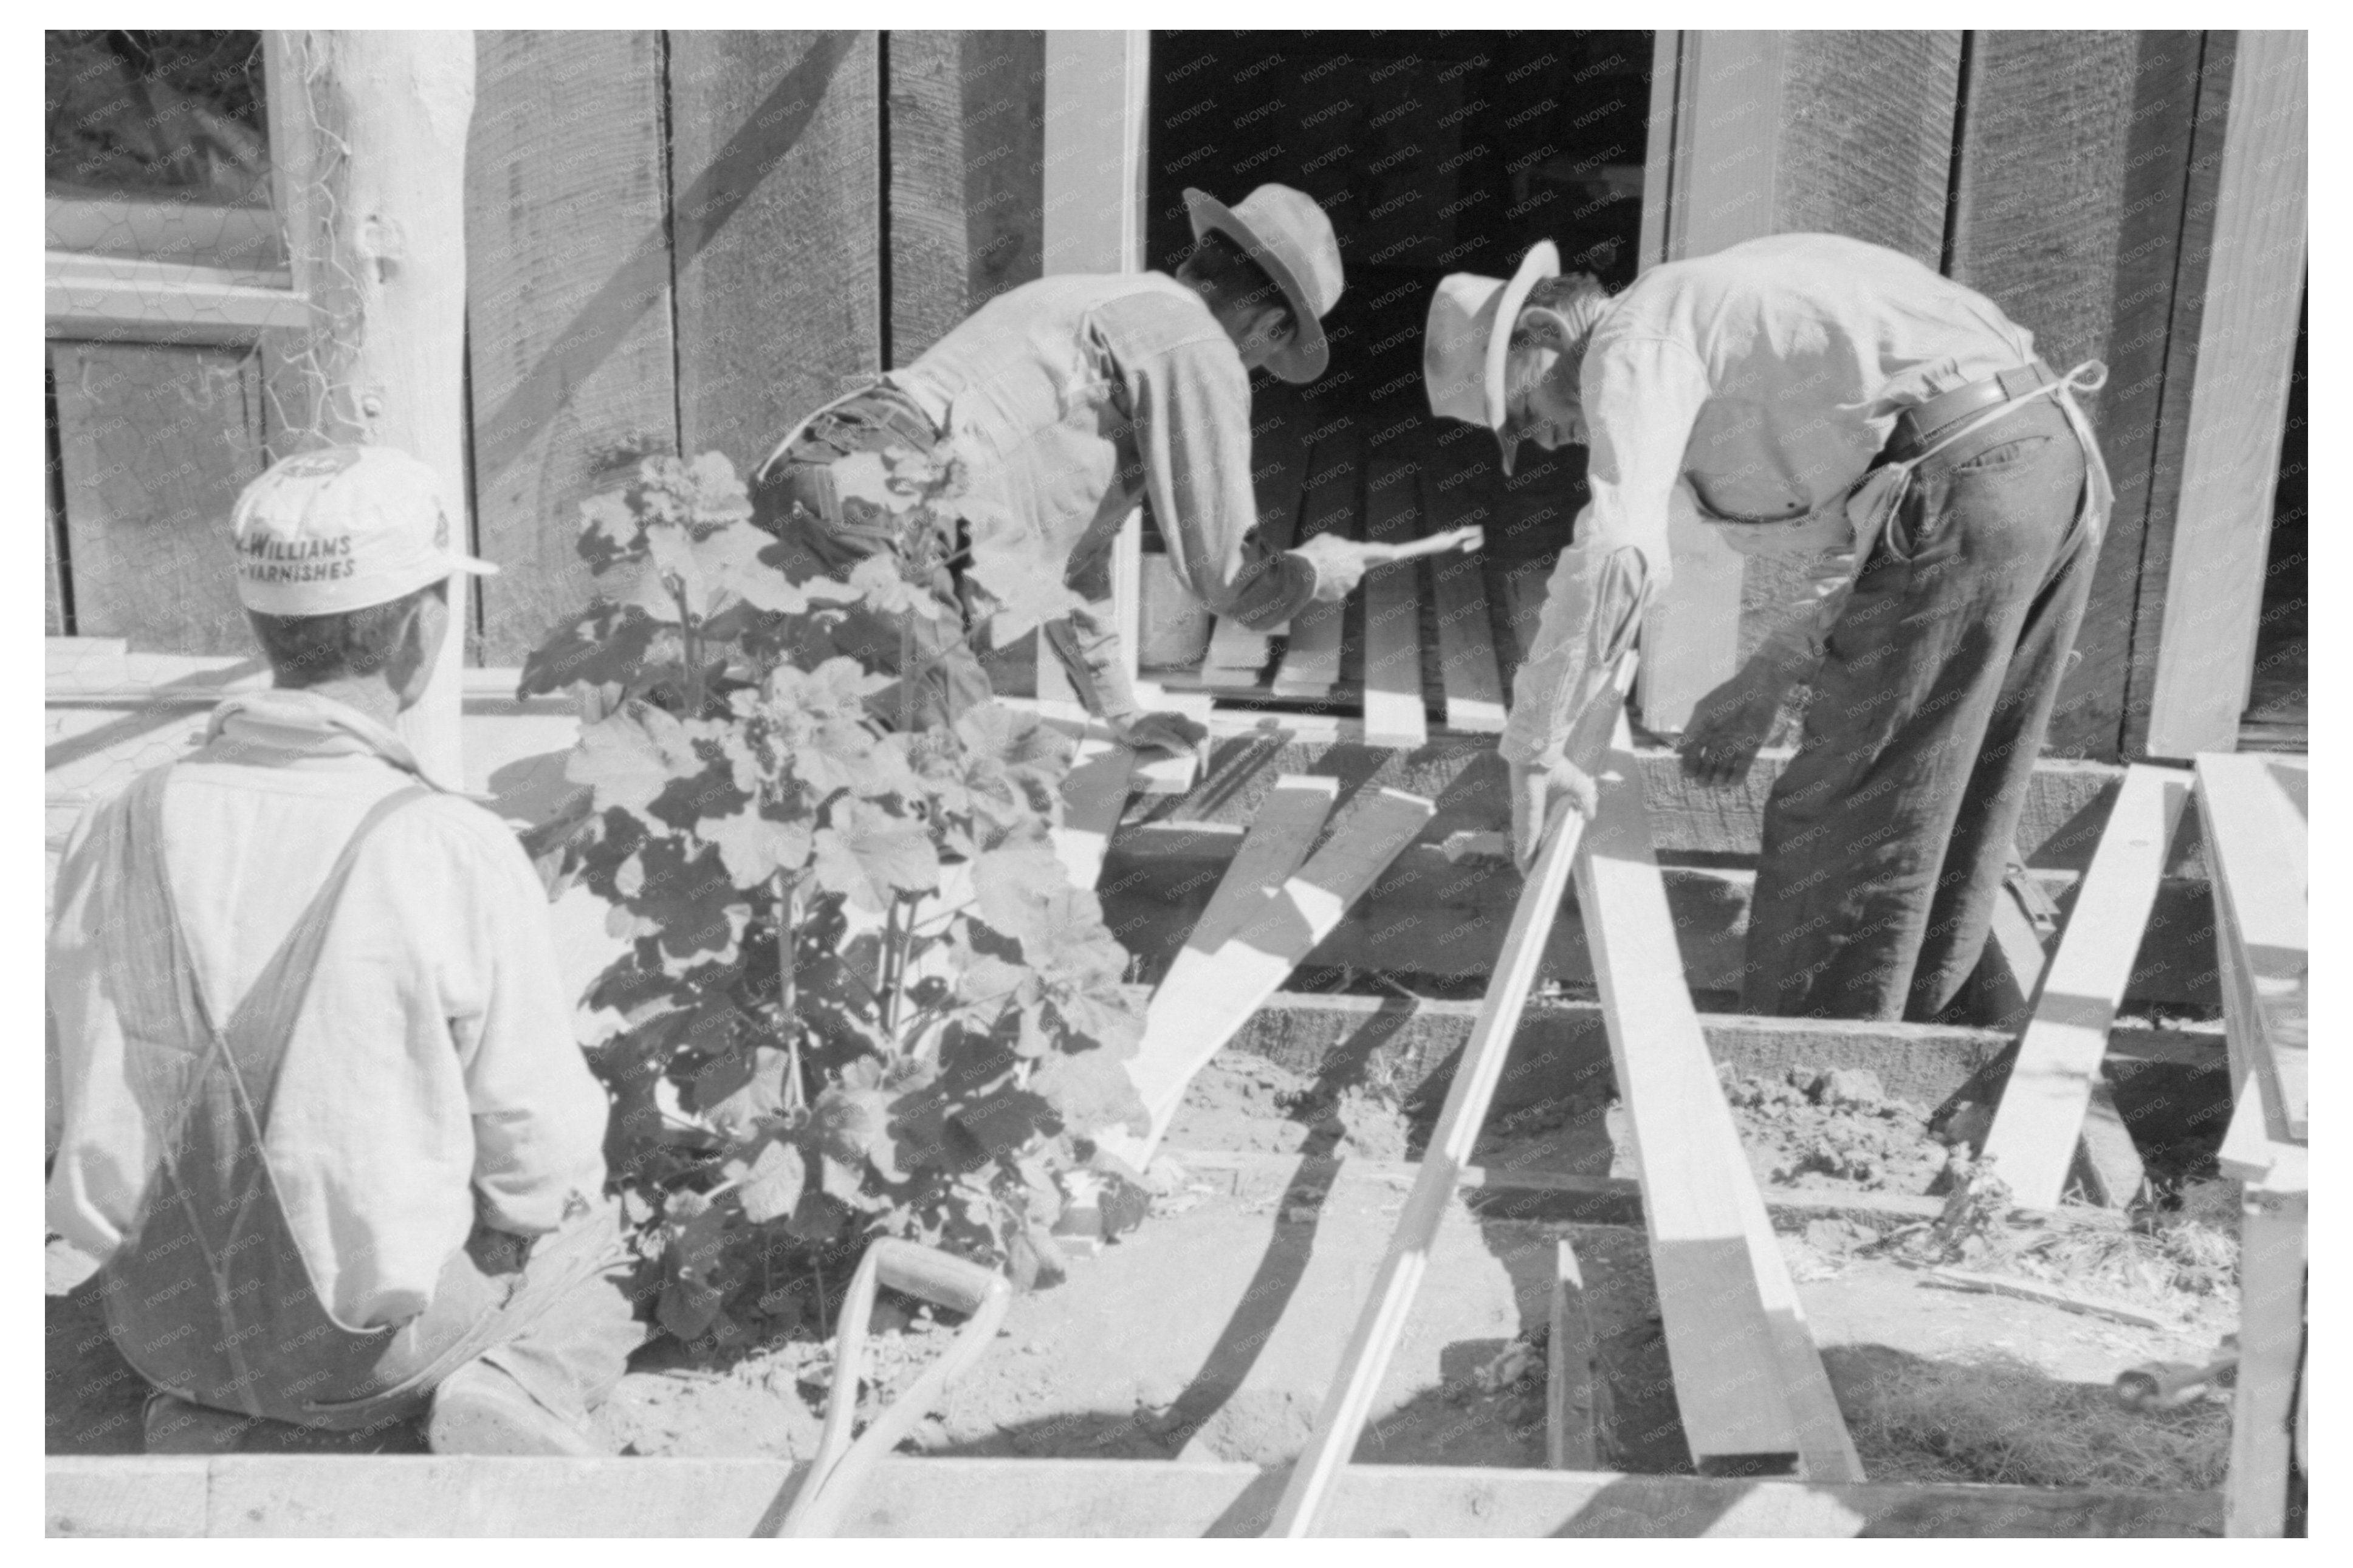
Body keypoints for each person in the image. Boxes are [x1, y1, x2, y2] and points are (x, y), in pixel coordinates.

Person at [46, 445, 643, 1456]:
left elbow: (57, 1105)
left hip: (168, 1333)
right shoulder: (447, 844)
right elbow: (539, 1165)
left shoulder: (120, 821)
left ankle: (203, 1415)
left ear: (260, 624)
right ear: (419, 629)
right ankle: (509, 1391)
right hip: (368, 1353)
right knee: (593, 1239)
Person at [1424, 233, 2111, 1022]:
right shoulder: (1709, 322)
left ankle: (1803, 1076)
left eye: (1518, 411)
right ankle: (1920, 1065)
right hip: (2043, 470)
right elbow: (1882, 521)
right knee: (1946, 806)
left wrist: (1536, 745)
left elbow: (1619, 549)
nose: (1535, 439)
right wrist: (1769, 673)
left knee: (1842, 822)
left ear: (1544, 336)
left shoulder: (1635, 337)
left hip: (1976, 484)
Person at [754, 182, 1385, 750]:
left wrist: (1119, 710)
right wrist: (1307, 574)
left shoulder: (1088, 299)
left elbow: (1073, 564)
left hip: (810, 477)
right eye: (1265, 355)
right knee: (967, 791)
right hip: (885, 515)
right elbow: (1226, 578)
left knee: (827, 759)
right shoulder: (1197, 345)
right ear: (1272, 327)